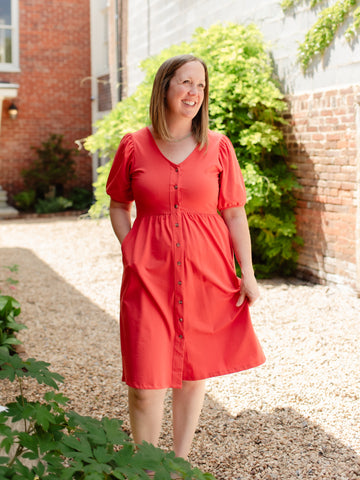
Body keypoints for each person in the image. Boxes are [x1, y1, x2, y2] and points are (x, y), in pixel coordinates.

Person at [106, 54, 265, 474]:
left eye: (200, 85)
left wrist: (246, 272)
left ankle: (177, 465)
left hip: (207, 274)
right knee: (145, 383)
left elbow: (233, 213)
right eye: (186, 82)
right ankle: (147, 468)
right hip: (147, 278)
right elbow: (119, 205)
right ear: (165, 87)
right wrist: (131, 249)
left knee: (194, 373)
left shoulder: (218, 147)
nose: (194, 92)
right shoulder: (133, 145)